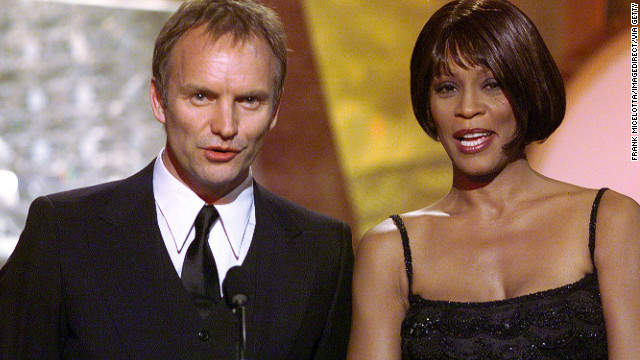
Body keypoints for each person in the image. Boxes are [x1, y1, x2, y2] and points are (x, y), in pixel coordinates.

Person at [0, 0, 353, 358]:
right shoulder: (64, 232)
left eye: (249, 101)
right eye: (201, 97)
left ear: (275, 111)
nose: (225, 126)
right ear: (158, 100)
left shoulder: (323, 251)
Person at [347, 0, 640, 359]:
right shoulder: (389, 251)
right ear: (427, 105)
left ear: (528, 90)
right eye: (446, 88)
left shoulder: (610, 220)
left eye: (492, 84)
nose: (468, 108)